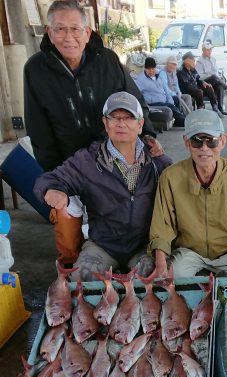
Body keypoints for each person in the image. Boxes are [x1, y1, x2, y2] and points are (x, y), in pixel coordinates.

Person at [24, 0, 163, 266]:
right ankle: (69, 285)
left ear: (87, 32)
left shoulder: (107, 60)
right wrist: (58, 178)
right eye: (60, 29)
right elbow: (38, 129)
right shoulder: (35, 70)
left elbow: (134, 100)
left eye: (75, 29)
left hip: (113, 158)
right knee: (67, 229)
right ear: (49, 32)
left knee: (128, 217)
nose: (69, 37)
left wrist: (149, 136)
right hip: (71, 163)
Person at [33, 92, 172, 282]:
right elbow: (48, 179)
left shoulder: (158, 162)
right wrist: (53, 189)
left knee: (159, 281)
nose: (121, 123)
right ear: (105, 123)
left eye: (129, 117)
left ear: (140, 125)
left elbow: (179, 193)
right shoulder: (87, 160)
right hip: (103, 245)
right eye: (114, 117)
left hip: (144, 246)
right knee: (82, 280)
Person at [149, 110, 227, 279]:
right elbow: (162, 227)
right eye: (196, 141)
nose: (204, 148)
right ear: (186, 142)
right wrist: (161, 265)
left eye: (211, 141)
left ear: (222, 141)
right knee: (168, 278)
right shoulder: (170, 177)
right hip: (190, 253)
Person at [134, 57, 185, 127]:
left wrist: (170, 101)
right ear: (145, 69)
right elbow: (136, 94)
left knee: (176, 99)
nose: (151, 71)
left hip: (163, 101)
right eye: (149, 69)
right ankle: (184, 121)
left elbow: (166, 91)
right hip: (152, 103)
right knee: (169, 106)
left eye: (153, 69)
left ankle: (177, 120)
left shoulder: (158, 77)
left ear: (155, 68)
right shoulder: (140, 80)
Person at [177, 52, 224, 118]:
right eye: (193, 59)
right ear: (187, 61)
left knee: (208, 87)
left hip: (194, 88)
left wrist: (203, 82)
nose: (194, 61)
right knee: (199, 91)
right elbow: (186, 86)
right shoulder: (181, 71)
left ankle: (215, 108)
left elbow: (197, 78)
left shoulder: (192, 69)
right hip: (187, 90)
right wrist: (198, 88)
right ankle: (200, 111)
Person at [195, 43, 227, 115]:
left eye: (210, 49)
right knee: (213, 77)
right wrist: (210, 74)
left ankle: (220, 107)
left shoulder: (213, 59)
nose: (210, 51)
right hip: (204, 81)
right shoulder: (199, 61)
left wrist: (212, 74)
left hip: (214, 81)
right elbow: (199, 76)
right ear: (203, 50)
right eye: (208, 50)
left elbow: (216, 71)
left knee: (220, 86)